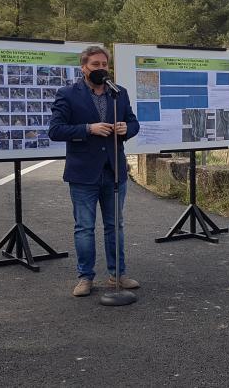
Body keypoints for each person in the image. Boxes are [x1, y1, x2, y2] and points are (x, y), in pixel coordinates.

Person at [48, 45, 140, 297]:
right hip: (83, 173)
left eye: (104, 65)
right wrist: (88, 129)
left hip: (114, 171)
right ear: (83, 68)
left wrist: (126, 129)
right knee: (85, 228)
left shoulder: (118, 93)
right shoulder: (67, 94)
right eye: (95, 65)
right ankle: (85, 277)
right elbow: (55, 130)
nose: (101, 69)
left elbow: (133, 123)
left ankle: (117, 274)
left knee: (115, 226)